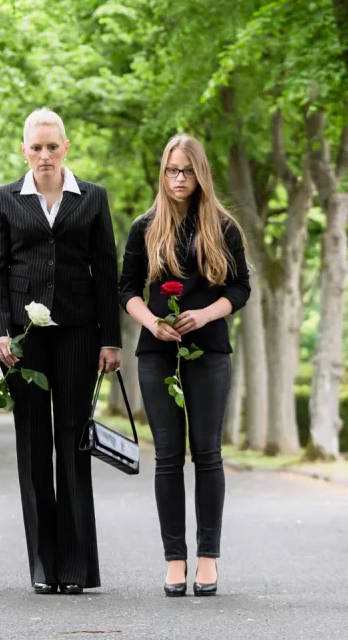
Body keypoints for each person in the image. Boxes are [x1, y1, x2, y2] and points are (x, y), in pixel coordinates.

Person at [0, 109, 122, 595]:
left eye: (52, 146)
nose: (44, 155)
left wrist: (110, 338)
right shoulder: (4, 199)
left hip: (78, 334)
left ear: (65, 147)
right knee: (33, 445)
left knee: (73, 444)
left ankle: (76, 567)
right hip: (24, 340)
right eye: (36, 147)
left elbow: (105, 269)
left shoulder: (92, 197)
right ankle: (44, 566)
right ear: (24, 150)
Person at [118, 134, 250, 598]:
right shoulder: (145, 226)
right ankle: (175, 559)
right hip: (157, 354)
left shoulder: (224, 227)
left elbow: (240, 289)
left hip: (209, 351)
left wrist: (206, 314)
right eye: (172, 170)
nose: (179, 178)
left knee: (208, 453)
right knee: (168, 456)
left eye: (187, 171)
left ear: (200, 174)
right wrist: (152, 322)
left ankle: (208, 558)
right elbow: (126, 288)